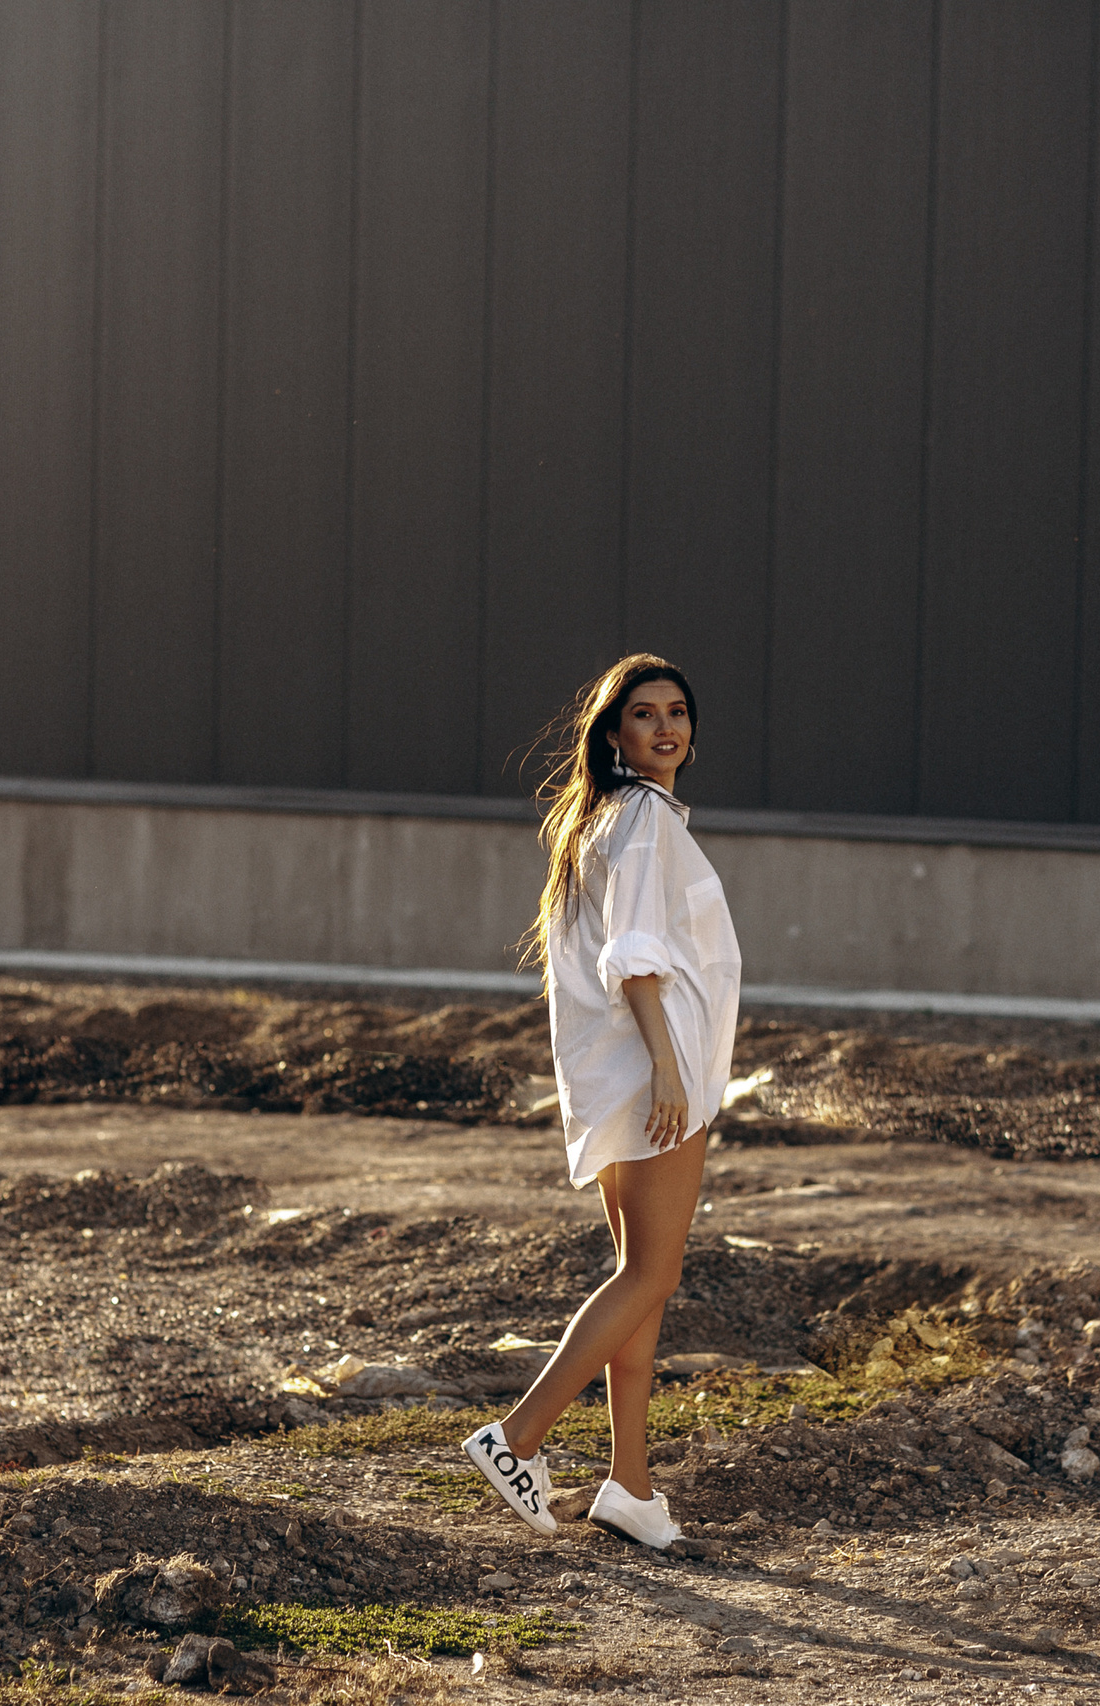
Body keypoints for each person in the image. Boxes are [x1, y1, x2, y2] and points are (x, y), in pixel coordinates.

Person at [461, 654, 741, 1549]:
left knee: (639, 1283)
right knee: (650, 1274)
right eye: (646, 714)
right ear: (615, 735)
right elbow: (635, 952)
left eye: (678, 712)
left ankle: (629, 1484)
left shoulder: (605, 818)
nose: (666, 727)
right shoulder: (646, 818)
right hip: (659, 1070)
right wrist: (669, 1066)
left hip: (624, 1071)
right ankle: (517, 1438)